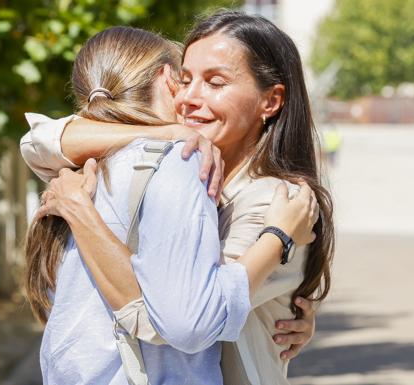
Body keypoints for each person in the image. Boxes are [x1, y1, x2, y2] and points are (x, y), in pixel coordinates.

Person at [23, 11, 334, 384]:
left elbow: (176, 321)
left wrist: (278, 238)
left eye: (215, 82)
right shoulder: (175, 161)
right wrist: (169, 132)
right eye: (185, 80)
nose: (189, 97)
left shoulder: (276, 202)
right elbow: (38, 142)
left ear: (271, 101)